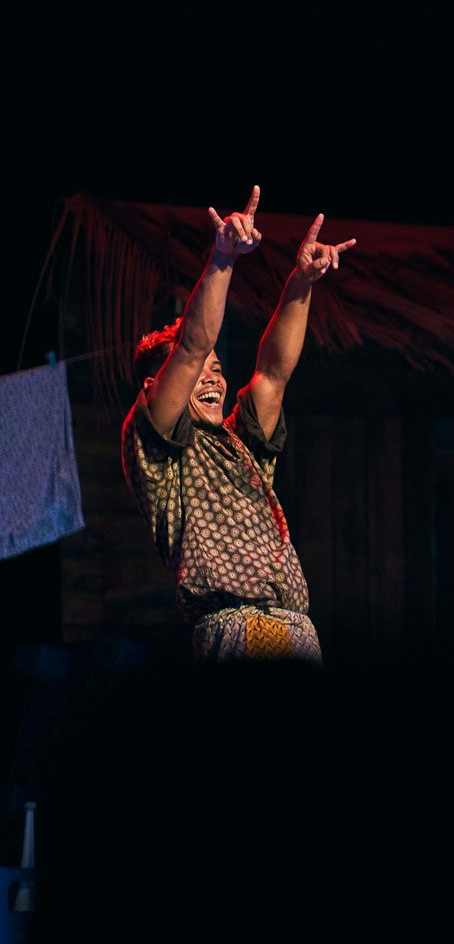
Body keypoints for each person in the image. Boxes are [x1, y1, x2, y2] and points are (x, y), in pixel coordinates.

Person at [123, 188, 353, 667]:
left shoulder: (238, 447)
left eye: (218, 368)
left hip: (295, 630)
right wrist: (223, 257)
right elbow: (191, 346)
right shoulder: (157, 446)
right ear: (157, 385)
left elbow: (272, 374)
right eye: (198, 372)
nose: (213, 377)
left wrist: (301, 283)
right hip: (242, 628)